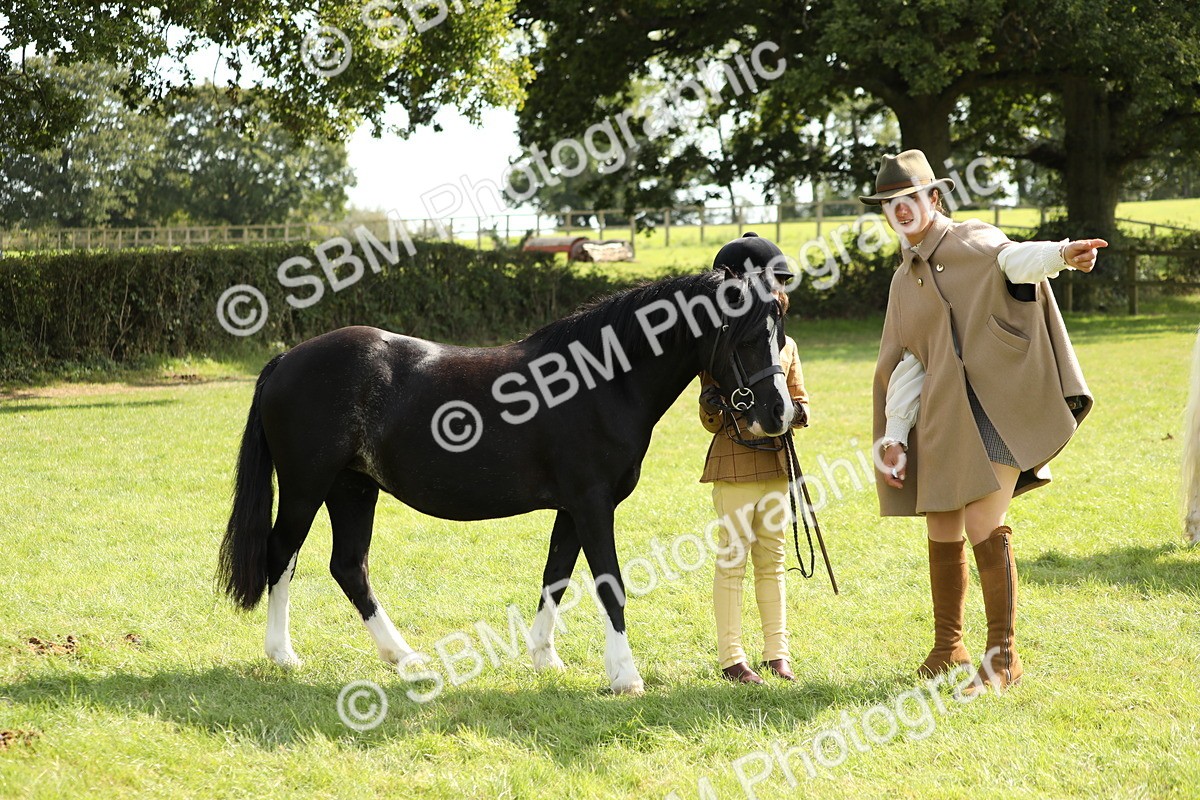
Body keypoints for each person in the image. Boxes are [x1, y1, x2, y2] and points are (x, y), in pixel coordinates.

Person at [864, 150, 1101, 694]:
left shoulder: (972, 240)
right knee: (941, 524)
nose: (900, 210)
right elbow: (909, 363)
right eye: (889, 203)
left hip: (1000, 410)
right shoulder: (904, 280)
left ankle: (1003, 659)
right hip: (946, 418)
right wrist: (895, 437)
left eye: (909, 199)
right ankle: (949, 646)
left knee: (982, 526)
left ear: (933, 198)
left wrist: (1064, 254)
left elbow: (1015, 261)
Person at [698, 233, 810, 685]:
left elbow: (803, 403)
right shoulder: (718, 348)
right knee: (732, 561)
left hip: (777, 467)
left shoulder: (787, 347)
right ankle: (732, 657)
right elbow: (707, 419)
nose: (776, 295)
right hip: (734, 463)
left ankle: (776, 652)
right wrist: (725, 409)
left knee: (774, 561)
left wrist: (787, 416)